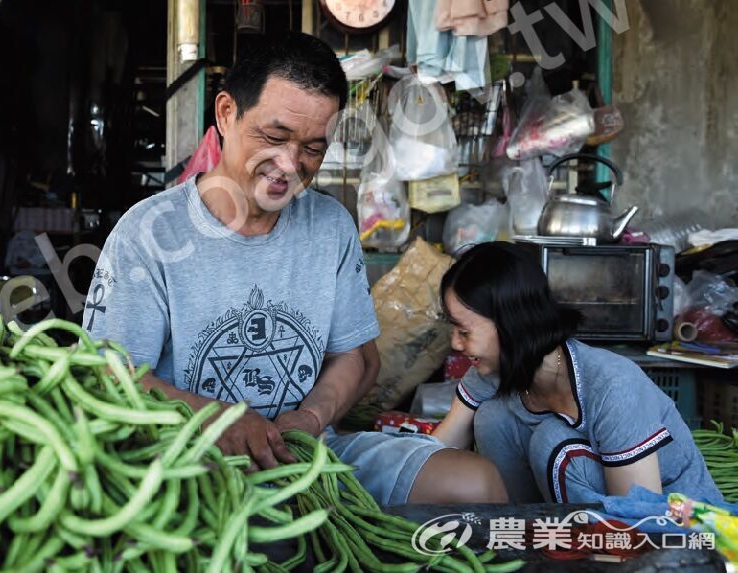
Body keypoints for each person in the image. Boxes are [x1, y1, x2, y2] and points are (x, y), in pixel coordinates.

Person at [83, 32, 506, 506]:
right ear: (226, 114)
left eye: (312, 147)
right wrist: (218, 419)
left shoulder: (329, 226)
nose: (289, 164)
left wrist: (307, 421)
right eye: (274, 136)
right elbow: (108, 378)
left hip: (307, 458)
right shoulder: (148, 233)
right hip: (188, 465)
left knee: (478, 485)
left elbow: (358, 358)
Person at [433, 241, 722, 504]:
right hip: (593, 516)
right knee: (493, 417)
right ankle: (520, 527)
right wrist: (394, 464)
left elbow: (641, 512)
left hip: (679, 526)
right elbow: (444, 444)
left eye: (464, 331)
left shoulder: (613, 385)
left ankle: (569, 553)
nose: (455, 343)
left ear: (512, 324)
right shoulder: (495, 366)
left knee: (554, 442)